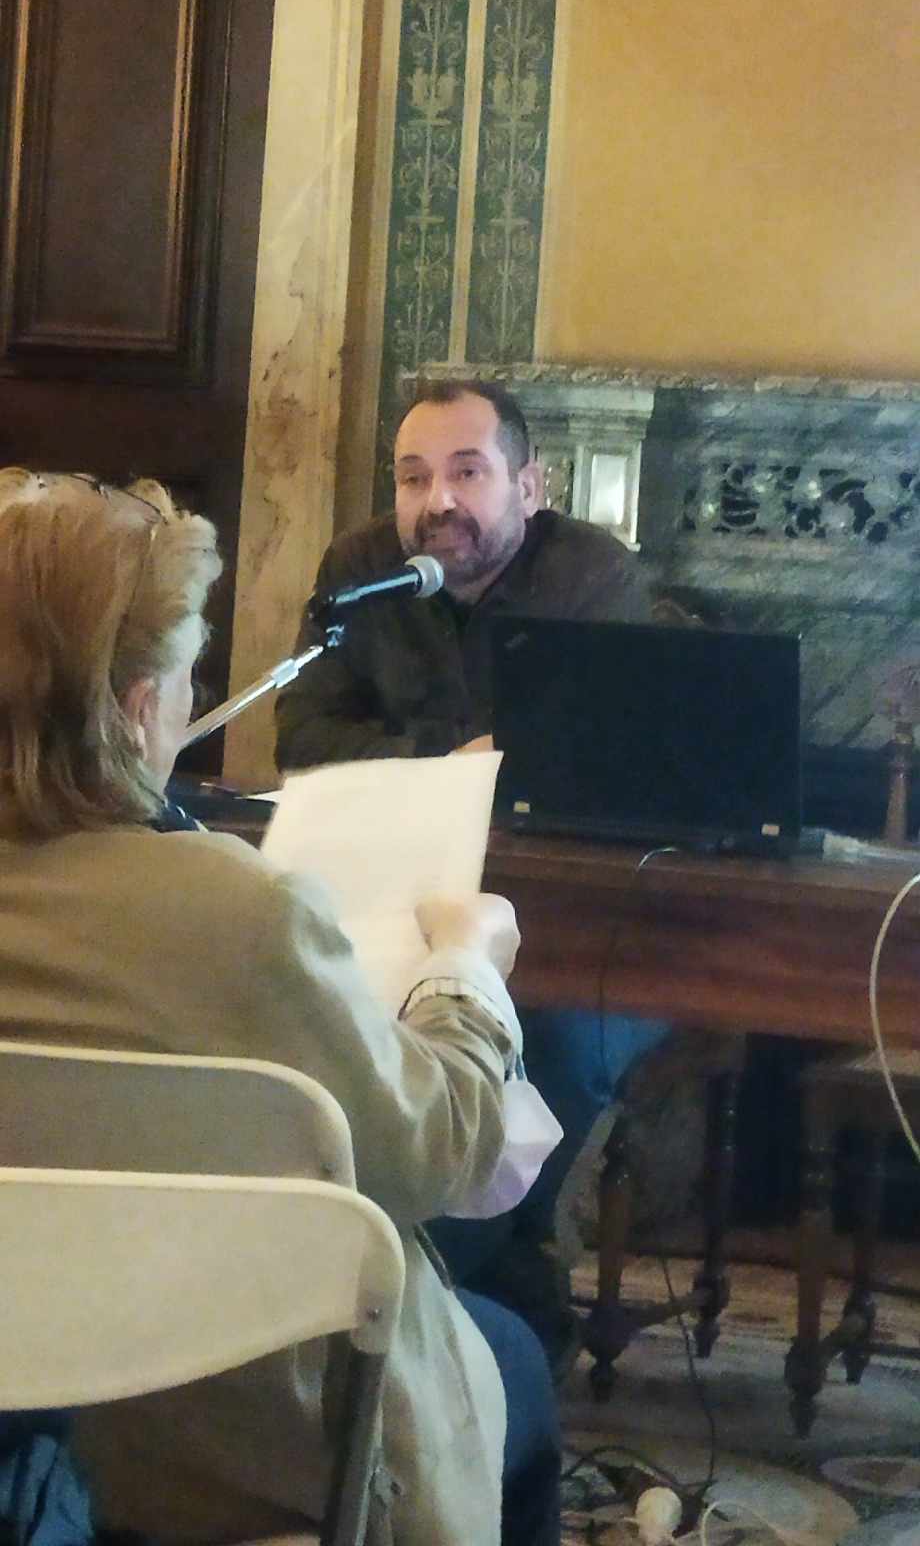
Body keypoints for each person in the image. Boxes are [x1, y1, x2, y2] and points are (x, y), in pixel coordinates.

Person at [0, 468, 560, 1546]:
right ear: (137, 708)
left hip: (31, 1436)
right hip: (233, 1446)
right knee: (516, 1360)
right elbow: (431, 1153)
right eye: (185, 675)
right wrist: (465, 971)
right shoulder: (236, 913)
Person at [275, 380, 669, 1359]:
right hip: (398, 897)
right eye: (413, 477)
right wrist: (459, 756)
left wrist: (422, 757)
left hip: (580, 919)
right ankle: (468, 1285)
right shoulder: (361, 570)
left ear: (530, 486)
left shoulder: (592, 578)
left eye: (466, 472)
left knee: (559, 1042)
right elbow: (303, 737)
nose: (436, 500)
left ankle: (459, 1269)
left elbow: (602, 758)